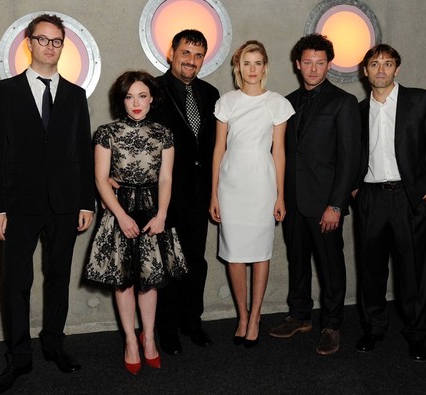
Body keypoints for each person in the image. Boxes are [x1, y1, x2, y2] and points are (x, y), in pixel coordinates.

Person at [0, 14, 94, 394]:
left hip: (65, 204)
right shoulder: (4, 91)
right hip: (19, 205)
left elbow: (82, 150)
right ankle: (18, 358)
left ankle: (54, 345)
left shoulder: (76, 95)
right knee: (15, 283)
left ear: (64, 46)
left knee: (58, 278)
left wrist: (86, 202)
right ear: (28, 43)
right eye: (42, 39)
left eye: (56, 41)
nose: (49, 46)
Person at [85, 71, 187, 374]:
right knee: (124, 280)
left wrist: (161, 216)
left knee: (150, 280)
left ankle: (149, 337)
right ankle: (131, 340)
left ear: (152, 98)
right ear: (122, 101)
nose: (136, 103)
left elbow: (167, 178)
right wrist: (120, 215)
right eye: (129, 96)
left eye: (142, 95)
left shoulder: (164, 133)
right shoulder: (106, 132)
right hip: (120, 210)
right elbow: (101, 179)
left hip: (153, 211)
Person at [353, 44, 426, 362]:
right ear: (364, 71)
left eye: (388, 63)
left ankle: (416, 335)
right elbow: (350, 156)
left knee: (413, 272)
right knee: (371, 270)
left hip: (410, 200)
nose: (381, 69)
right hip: (371, 200)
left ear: (397, 69)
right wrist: (355, 191)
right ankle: (373, 329)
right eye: (374, 64)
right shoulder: (356, 110)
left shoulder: (421, 101)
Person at [269, 33, 361, 356]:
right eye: (307, 62)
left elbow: (350, 159)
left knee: (330, 266)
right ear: (298, 64)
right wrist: (279, 197)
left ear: (329, 64)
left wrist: (336, 205)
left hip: (325, 203)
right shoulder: (287, 102)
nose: (313, 68)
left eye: (319, 62)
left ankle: (332, 325)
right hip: (292, 201)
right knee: (297, 261)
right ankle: (299, 316)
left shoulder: (343, 102)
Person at [209, 40, 294, 348]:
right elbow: (218, 149)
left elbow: (280, 153)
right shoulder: (226, 102)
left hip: (262, 185)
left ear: (265, 67)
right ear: (238, 67)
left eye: (258, 63)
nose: (252, 69)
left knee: (259, 253)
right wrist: (214, 195)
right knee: (233, 254)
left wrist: (281, 195)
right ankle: (242, 316)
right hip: (230, 186)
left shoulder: (277, 103)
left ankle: (256, 315)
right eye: (247, 63)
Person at [148, 29, 220, 355]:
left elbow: (213, 147)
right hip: (163, 196)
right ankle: (168, 331)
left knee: (195, 262)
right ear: (171, 53)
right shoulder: (152, 90)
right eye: (186, 53)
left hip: (198, 193)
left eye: (198, 55)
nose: (191, 60)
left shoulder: (210, 93)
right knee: (165, 265)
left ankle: (192, 322)